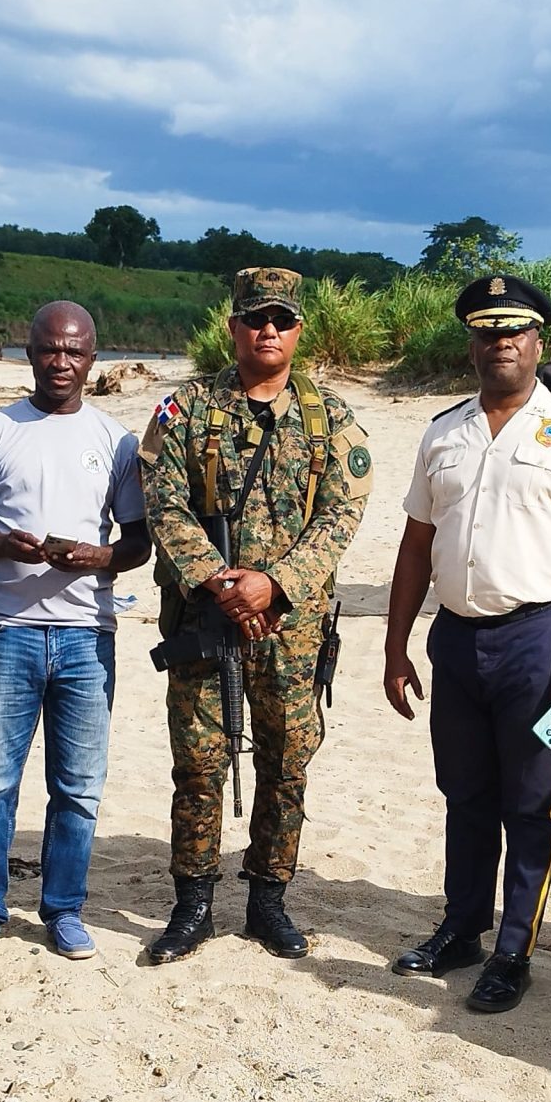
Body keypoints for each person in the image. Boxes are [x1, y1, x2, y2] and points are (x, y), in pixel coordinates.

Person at [384, 274, 551, 1013]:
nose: (502, 343)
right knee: (465, 793)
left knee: (529, 802)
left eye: (514, 330)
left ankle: (513, 949)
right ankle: (461, 928)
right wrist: (396, 648)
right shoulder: (442, 431)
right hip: (455, 640)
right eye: (487, 331)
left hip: (538, 643)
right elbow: (415, 545)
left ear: (538, 340)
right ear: (472, 342)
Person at [139, 267, 372, 964]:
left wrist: (273, 582)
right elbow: (163, 500)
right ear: (233, 327)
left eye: (281, 319)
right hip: (205, 624)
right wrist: (218, 580)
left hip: (291, 631)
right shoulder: (185, 410)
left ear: (299, 329)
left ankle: (268, 901)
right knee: (200, 764)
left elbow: (340, 515)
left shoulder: (331, 419)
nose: (268, 329)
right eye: (254, 318)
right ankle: (194, 904)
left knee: (287, 764)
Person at [0, 302, 149, 961]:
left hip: (89, 637)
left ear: (94, 359)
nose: (61, 362)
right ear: (27, 352)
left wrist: (96, 556)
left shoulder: (116, 441)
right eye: (49, 349)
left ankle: (63, 909)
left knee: (79, 786)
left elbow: (139, 543)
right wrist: (5, 544)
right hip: (9, 630)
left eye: (75, 351)